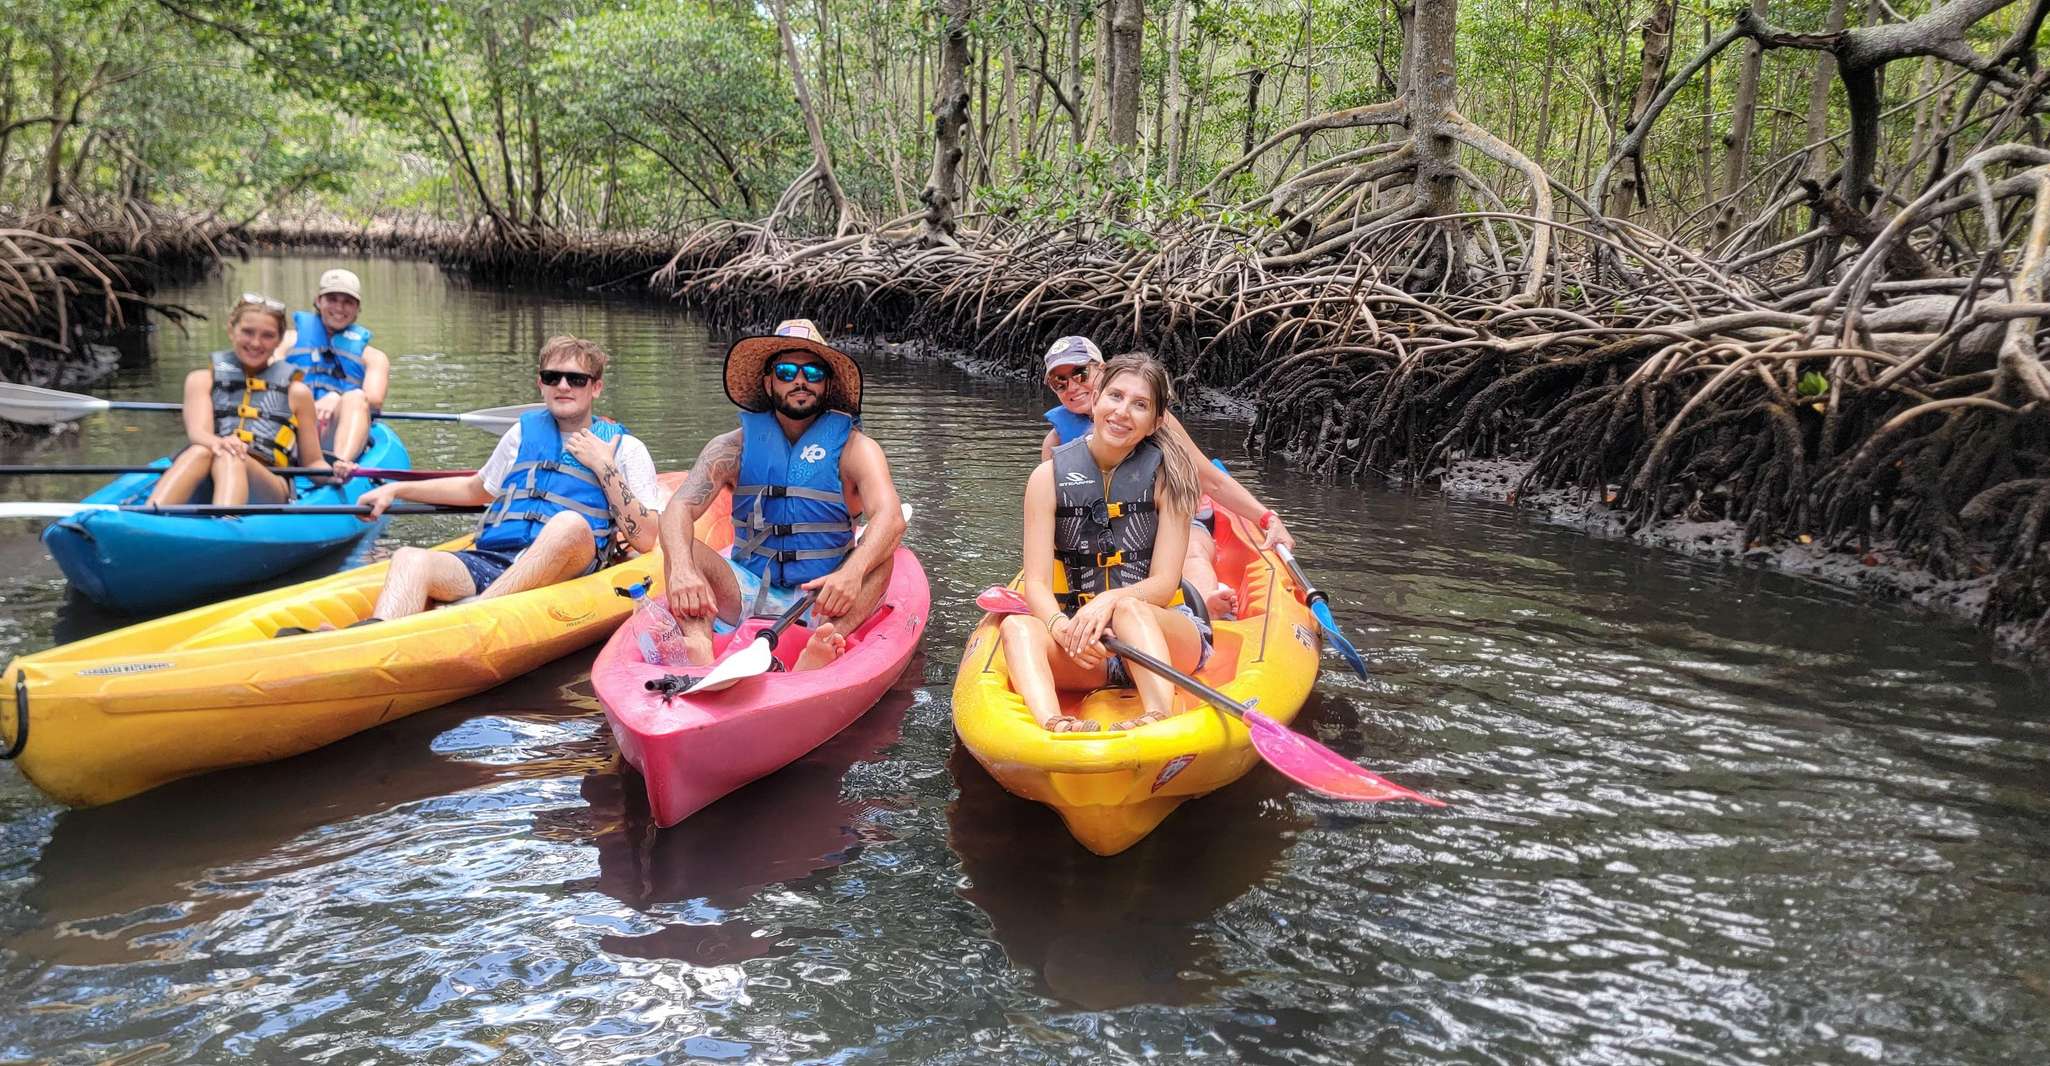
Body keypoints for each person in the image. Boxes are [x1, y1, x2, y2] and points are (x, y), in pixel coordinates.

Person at [354, 336, 660, 621]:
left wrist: (605, 466)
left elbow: (646, 539)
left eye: (576, 379)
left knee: (569, 524)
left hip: (569, 565)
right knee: (410, 558)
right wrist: (396, 489)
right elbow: (475, 489)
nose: (563, 386)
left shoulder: (623, 449)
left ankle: (474, 613)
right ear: (541, 384)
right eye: (553, 377)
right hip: (497, 559)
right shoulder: (520, 434)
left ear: (595, 388)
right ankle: (370, 641)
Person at [661, 319, 905, 672]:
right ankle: (699, 642)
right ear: (768, 381)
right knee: (682, 546)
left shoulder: (857, 450)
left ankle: (826, 640)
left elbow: (891, 517)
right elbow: (678, 507)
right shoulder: (731, 448)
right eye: (787, 371)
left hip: (822, 596)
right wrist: (683, 569)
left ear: (828, 384)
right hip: (745, 586)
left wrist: (852, 573)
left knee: (882, 558)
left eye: (813, 372)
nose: (800, 380)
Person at [1003, 353, 1212, 733]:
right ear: (1096, 398)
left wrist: (1107, 602)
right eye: (1115, 396)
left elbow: (1164, 585)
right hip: (1091, 648)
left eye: (1140, 404)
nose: (1122, 412)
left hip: (1163, 638)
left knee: (1129, 609)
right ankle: (1053, 723)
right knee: (1018, 628)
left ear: (1156, 422)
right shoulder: (1045, 478)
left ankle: (1158, 715)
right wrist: (1059, 627)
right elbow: (1035, 583)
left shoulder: (1171, 477)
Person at [1035, 335, 1298, 618]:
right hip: (1101, 533)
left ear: (1102, 369)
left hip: (1168, 519)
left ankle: (1201, 602)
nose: (1072, 386)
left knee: (1193, 552)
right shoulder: (1055, 447)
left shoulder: (1150, 418)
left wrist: (1267, 518)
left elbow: (1210, 480)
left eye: (1080, 373)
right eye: (1059, 382)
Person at [145, 293, 328, 507]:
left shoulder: (297, 392)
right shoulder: (201, 380)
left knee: (230, 456)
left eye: (267, 335)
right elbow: (199, 434)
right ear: (231, 330)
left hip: (269, 485)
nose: (256, 343)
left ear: (279, 340)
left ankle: (226, 523)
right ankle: (148, 515)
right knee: (202, 450)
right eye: (247, 332)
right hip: (211, 464)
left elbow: (313, 462)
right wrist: (223, 443)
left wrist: (337, 472)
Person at [274, 267, 391, 464]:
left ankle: (341, 465)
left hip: (333, 432)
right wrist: (306, 404)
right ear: (319, 301)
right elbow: (267, 374)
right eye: (332, 299)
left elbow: (375, 400)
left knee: (356, 397)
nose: (339, 308)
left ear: (357, 308)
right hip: (291, 426)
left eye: (348, 302)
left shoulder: (374, 357)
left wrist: (336, 399)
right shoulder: (286, 340)